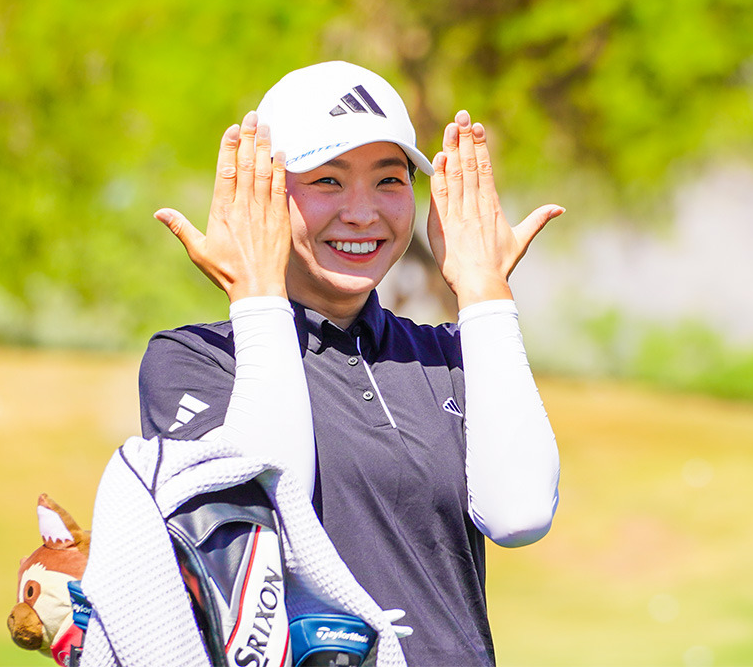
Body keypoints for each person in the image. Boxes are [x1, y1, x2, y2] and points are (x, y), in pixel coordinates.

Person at [139, 61, 563, 666]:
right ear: (261, 191)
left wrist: (484, 291)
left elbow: (518, 511)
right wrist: (257, 293)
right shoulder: (197, 361)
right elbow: (264, 512)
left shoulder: (449, 356)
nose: (363, 212)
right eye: (329, 182)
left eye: (390, 181)